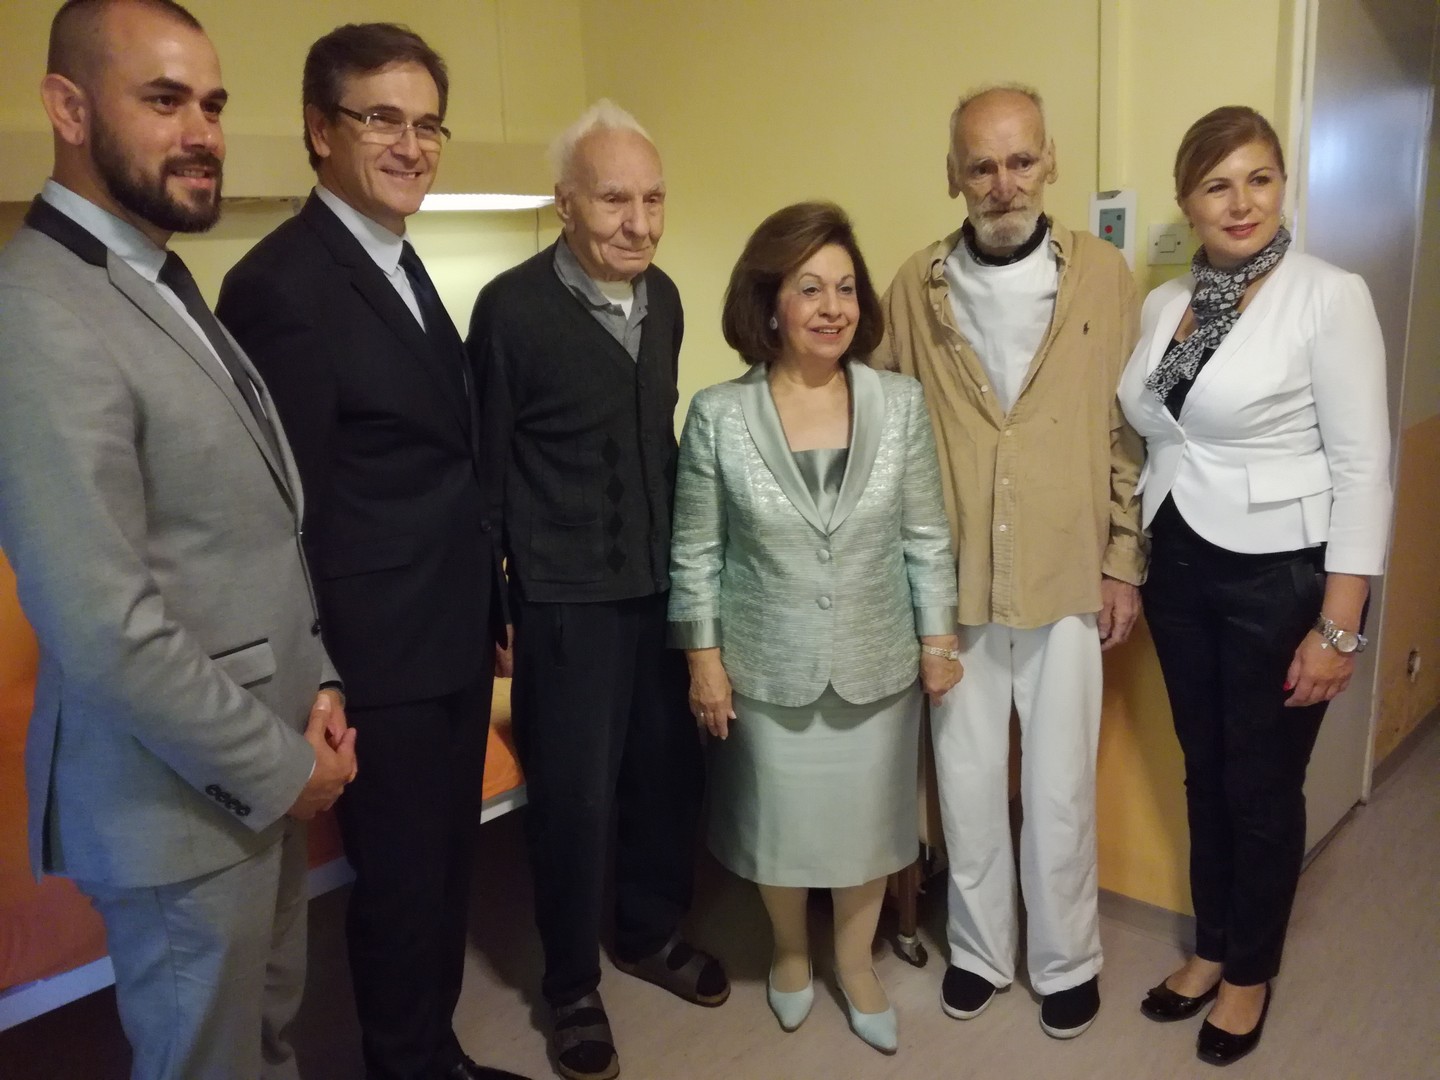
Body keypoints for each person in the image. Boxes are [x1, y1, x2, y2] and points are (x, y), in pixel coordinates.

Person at [0, 2, 358, 1077]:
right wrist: (282, 766)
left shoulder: (153, 274)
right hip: (178, 803)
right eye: (163, 100)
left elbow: (249, 528)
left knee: (266, 1039)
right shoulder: (38, 312)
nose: (203, 132)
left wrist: (318, 678)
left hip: (251, 770)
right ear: (68, 108)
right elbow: (104, 630)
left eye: (212, 103)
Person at [215, 23, 522, 1080]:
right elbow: (280, 511)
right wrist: (317, 676)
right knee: (399, 889)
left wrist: (489, 610)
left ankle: (433, 1052)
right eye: (382, 118)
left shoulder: (398, 258)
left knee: (442, 874)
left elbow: (441, 460)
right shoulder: (281, 285)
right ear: (320, 129)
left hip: (444, 631)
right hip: (375, 653)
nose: (411, 144)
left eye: (428, 123)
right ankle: (405, 1064)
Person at [1118, 105, 1392, 1067]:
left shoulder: (1328, 295)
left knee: (1263, 785)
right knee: (1207, 770)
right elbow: (1159, 432)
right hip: (1178, 562)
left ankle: (1249, 974)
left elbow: (1364, 469)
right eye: (1217, 185)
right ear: (1188, 200)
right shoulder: (1167, 303)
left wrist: (1340, 626)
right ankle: (1213, 946)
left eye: (1260, 179)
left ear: (1283, 185)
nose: (1242, 202)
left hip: (1283, 575)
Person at [877, 84, 1146, 1039]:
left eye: (1020, 160)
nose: (1004, 184)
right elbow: (888, 431)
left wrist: (1124, 560)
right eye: (982, 165)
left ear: (1050, 161)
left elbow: (1126, 431)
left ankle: (1067, 960)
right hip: (953, 587)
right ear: (953, 174)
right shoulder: (913, 287)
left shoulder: (1103, 277)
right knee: (965, 781)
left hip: (1068, 572)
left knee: (1061, 786)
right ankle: (981, 951)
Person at [466, 100, 725, 1080]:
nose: (639, 222)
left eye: (654, 199)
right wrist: (492, 605)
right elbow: (486, 469)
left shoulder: (666, 299)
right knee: (574, 803)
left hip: (660, 588)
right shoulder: (511, 310)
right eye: (616, 199)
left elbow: (658, 441)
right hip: (565, 600)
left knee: (668, 774)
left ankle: (649, 931)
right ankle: (571, 984)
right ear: (565, 202)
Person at [669, 202, 960, 1054]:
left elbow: (926, 535)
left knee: (870, 826)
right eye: (809, 289)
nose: (833, 307)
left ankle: (856, 962)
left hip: (877, 660)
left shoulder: (899, 403)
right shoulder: (719, 414)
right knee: (781, 825)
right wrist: (703, 661)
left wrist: (938, 642)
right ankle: (792, 952)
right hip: (768, 664)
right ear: (769, 304)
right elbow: (695, 551)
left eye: (845, 288)